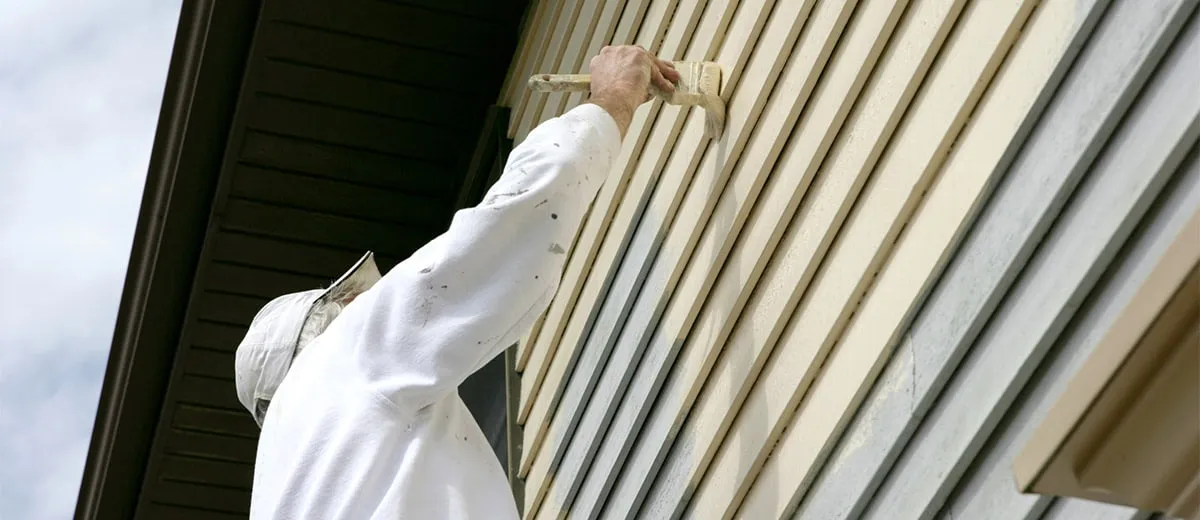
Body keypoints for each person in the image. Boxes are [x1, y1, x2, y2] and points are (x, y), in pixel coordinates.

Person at [233, 46, 682, 519]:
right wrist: (611, 99)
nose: (368, 303)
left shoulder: (280, 488)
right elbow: (509, 227)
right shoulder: (339, 360)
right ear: (323, 327)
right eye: (355, 302)